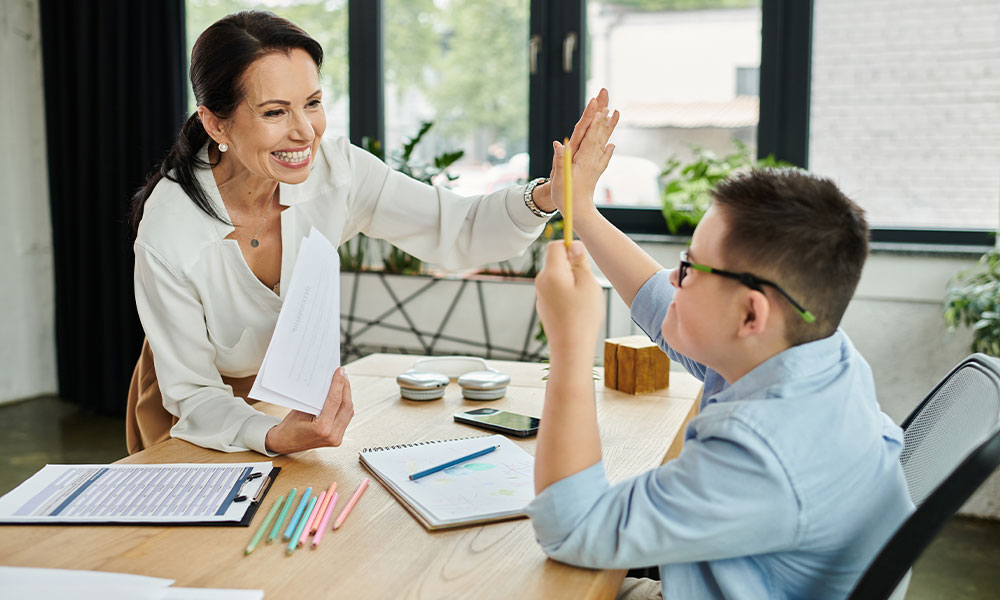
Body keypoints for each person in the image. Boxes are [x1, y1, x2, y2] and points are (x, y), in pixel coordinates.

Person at [127, 10, 609, 456]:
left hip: (288, 398)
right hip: (194, 414)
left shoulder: (337, 171)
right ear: (215, 123)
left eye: (312, 103)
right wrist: (272, 435)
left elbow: (455, 227)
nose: (304, 132)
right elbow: (192, 394)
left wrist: (549, 195)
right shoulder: (171, 230)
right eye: (275, 112)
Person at [527, 107, 914, 598]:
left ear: (751, 315)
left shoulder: (758, 452)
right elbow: (665, 306)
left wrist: (570, 347)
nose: (674, 277)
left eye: (690, 269)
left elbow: (569, 527)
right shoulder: (820, 354)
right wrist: (580, 210)